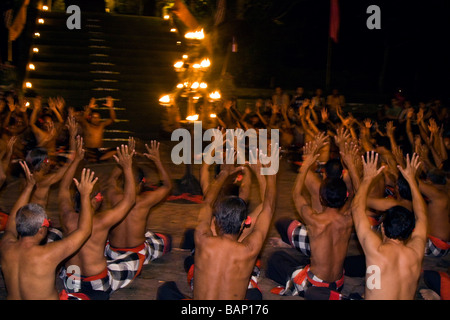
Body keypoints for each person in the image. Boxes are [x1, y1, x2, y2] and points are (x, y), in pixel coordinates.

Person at [267, 137, 353, 299]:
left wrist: (305, 166)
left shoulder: (314, 220)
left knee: (275, 260)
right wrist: (352, 165)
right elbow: (357, 192)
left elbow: (296, 194)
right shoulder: (349, 218)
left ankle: (317, 291)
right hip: (339, 283)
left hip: (316, 285)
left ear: (321, 198)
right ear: (345, 198)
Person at [0, 161, 96, 300]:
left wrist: (29, 187)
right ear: (41, 230)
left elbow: (11, 224)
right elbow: (84, 230)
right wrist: (85, 195)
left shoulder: (5, 245)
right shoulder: (49, 253)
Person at [191, 147, 277, 300]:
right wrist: (269, 173)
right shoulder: (249, 248)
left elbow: (207, 204)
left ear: (215, 220)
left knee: (167, 289)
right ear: (246, 222)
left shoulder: (202, 238)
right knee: (255, 294)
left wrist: (223, 173)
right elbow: (268, 208)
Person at [58, 138, 137, 299]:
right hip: (97, 282)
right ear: (97, 199)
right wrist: (127, 167)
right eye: (99, 195)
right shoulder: (102, 221)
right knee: (133, 259)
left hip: (71, 279)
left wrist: (76, 160)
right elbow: (130, 200)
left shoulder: (67, 217)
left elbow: (63, 188)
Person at [351, 152, 427, 299]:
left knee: (316, 293)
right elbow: (422, 217)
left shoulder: (376, 250)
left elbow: (356, 208)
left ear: (383, 228)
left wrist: (367, 179)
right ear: (410, 231)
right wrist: (412, 181)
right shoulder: (416, 252)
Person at [106, 140, 172, 276]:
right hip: (137, 254)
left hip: (113, 252)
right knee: (165, 239)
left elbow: (111, 179)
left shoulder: (114, 196)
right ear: (142, 183)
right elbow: (167, 185)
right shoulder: (144, 201)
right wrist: (157, 160)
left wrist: (125, 164)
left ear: (122, 181)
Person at [78, 96, 117, 161]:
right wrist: (89, 108)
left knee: (116, 150)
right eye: (94, 117)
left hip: (99, 150)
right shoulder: (87, 125)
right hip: (89, 150)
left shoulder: (101, 125)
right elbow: (82, 119)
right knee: (87, 154)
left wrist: (111, 107)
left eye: (97, 117)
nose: (96, 119)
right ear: (90, 118)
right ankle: (97, 159)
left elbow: (112, 119)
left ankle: (99, 158)